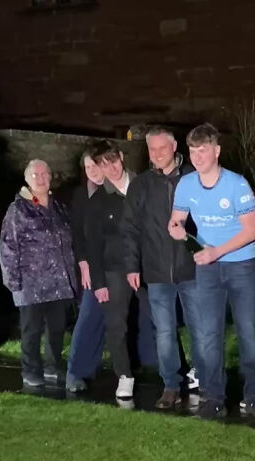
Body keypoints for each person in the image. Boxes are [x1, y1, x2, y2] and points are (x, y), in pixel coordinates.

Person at [169, 123, 255, 419]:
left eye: (203, 150)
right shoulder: (186, 184)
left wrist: (217, 251)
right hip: (207, 270)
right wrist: (177, 230)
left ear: (216, 150)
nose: (198, 156)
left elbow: (252, 230)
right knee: (208, 334)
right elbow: (176, 220)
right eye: (193, 151)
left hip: (240, 266)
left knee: (247, 332)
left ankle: (254, 396)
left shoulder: (237, 184)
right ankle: (214, 397)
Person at [121, 126, 203, 409]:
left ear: (174, 147)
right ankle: (170, 385)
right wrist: (132, 266)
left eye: (161, 148)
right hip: (155, 272)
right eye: (151, 149)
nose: (156, 154)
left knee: (199, 328)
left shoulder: (195, 177)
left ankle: (204, 378)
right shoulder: (141, 184)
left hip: (191, 269)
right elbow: (130, 228)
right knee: (165, 331)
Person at [87, 140, 156, 399]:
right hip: (114, 270)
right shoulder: (98, 201)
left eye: (113, 161)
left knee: (162, 320)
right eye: (104, 164)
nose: (111, 168)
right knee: (117, 325)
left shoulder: (144, 185)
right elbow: (92, 244)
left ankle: (175, 375)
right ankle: (124, 376)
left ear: (121, 158)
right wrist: (99, 283)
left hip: (149, 266)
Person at [0, 159, 77, 388]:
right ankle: (31, 371)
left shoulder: (59, 206)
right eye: (36, 175)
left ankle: (54, 367)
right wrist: (12, 280)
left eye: (45, 174)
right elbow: (8, 245)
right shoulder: (18, 209)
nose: (41, 178)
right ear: (27, 179)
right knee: (31, 330)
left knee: (56, 329)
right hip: (30, 283)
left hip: (58, 281)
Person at [65, 151, 106, 392]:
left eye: (95, 165)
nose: (91, 170)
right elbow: (78, 234)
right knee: (89, 316)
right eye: (88, 166)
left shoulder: (118, 191)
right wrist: (84, 264)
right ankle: (75, 371)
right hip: (92, 267)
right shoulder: (82, 195)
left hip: (116, 265)